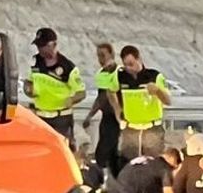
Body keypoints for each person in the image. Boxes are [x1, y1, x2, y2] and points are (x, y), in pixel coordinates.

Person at [23, 28, 86, 149]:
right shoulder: (35, 62)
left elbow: (81, 93)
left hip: (61, 119)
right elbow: (28, 81)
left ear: (54, 44)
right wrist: (28, 89)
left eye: (43, 46)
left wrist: (71, 100)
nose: (40, 49)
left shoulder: (67, 67)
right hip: (40, 117)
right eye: (38, 46)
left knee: (61, 150)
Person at [117, 45, 171, 163]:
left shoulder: (154, 76)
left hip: (152, 130)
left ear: (139, 59)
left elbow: (168, 101)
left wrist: (157, 91)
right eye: (125, 65)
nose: (128, 68)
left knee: (153, 165)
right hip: (130, 130)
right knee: (127, 165)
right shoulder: (120, 77)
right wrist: (118, 114)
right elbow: (111, 94)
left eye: (131, 64)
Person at [82, 42, 123, 175]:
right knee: (107, 150)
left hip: (119, 117)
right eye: (98, 56)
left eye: (103, 55)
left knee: (105, 151)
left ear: (111, 54)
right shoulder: (101, 74)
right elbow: (101, 98)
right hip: (106, 116)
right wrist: (90, 115)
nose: (100, 59)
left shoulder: (120, 72)